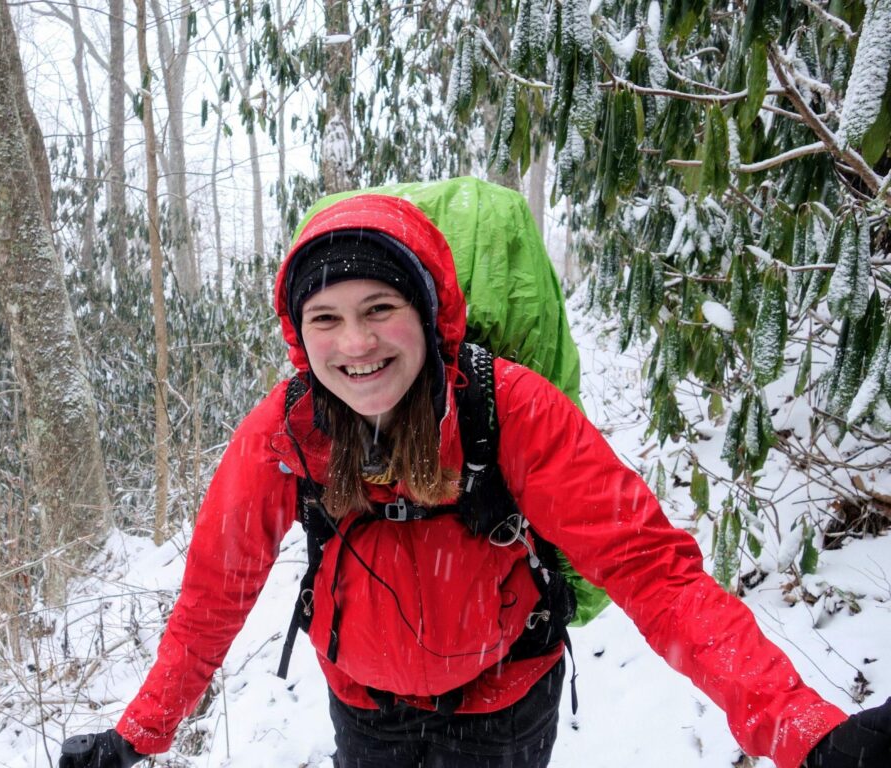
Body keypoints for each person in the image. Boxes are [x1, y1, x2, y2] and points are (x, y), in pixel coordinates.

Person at [59, 193, 891, 768]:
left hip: (506, 704)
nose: (355, 344)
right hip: (365, 708)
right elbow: (213, 594)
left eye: (379, 307)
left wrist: (804, 733)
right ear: (298, 334)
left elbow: (652, 571)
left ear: (428, 313)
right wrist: (140, 733)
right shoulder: (289, 429)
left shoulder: (508, 409)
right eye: (327, 318)